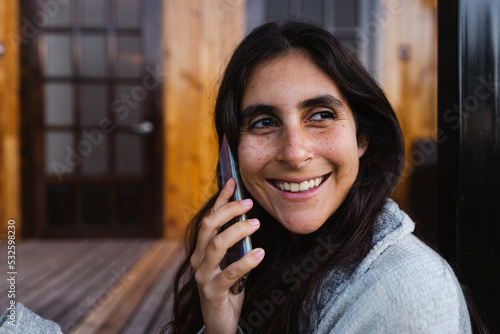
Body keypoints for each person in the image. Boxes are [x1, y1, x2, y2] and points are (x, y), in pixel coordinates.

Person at [164, 19, 474, 334]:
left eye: (321, 115)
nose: (295, 154)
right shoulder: (257, 258)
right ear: (231, 156)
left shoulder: (409, 294)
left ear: (361, 137)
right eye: (264, 122)